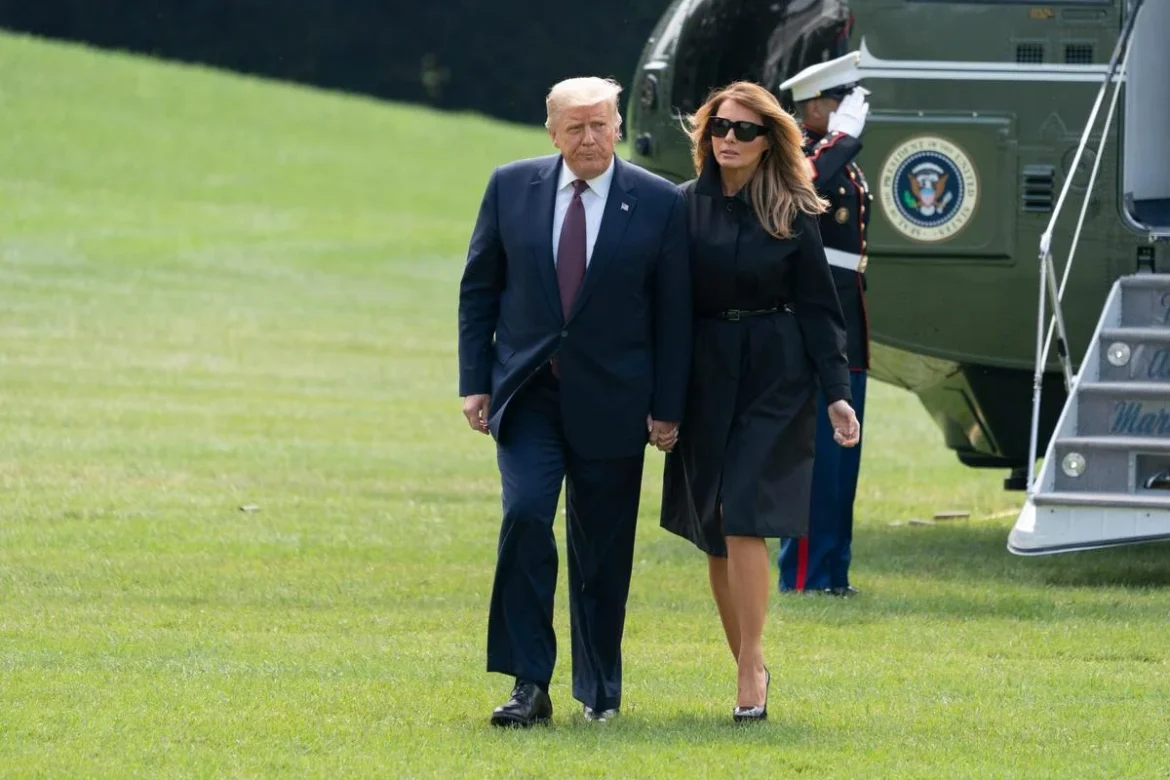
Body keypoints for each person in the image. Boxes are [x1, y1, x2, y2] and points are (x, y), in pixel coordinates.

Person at [457, 76, 692, 727]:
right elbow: (480, 288)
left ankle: (599, 686)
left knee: (603, 546)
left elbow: (675, 315)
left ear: (618, 126)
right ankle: (528, 684)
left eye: (601, 124)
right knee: (527, 517)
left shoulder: (658, 201)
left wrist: (668, 406)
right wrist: (475, 380)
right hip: (529, 393)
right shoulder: (511, 186)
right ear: (552, 132)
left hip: (616, 400)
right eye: (575, 126)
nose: (590, 138)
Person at [657, 80, 860, 722]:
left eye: (745, 129)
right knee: (716, 525)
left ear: (768, 138)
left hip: (776, 373)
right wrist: (662, 401)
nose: (729, 139)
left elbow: (821, 309)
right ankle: (750, 658)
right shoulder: (682, 208)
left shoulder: (793, 208)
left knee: (744, 512)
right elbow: (666, 312)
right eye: (720, 126)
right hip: (706, 372)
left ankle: (750, 668)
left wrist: (837, 395)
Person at [777, 52, 872, 597]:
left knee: (843, 458)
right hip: (816, 322)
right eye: (839, 102)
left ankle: (834, 571)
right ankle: (806, 574)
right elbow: (802, 191)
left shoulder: (841, 159)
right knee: (817, 456)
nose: (847, 113)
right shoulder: (801, 158)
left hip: (848, 316)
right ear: (815, 105)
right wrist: (842, 141)